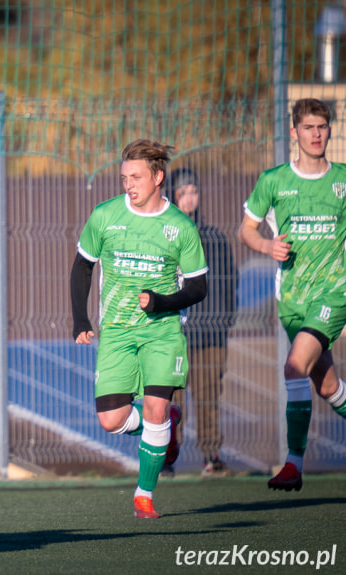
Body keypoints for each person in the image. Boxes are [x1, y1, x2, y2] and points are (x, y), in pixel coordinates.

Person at [71, 140, 208, 518]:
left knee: (154, 410)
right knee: (110, 420)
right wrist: (81, 319)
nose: (128, 184)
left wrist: (161, 302)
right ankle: (167, 424)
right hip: (116, 330)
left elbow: (198, 286)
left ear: (158, 177)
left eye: (136, 177)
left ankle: (144, 495)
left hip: (163, 332)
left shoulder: (179, 226)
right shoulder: (105, 215)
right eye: (124, 177)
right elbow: (83, 266)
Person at [238, 98, 346, 492]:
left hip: (334, 293)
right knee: (329, 387)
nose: (316, 134)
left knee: (293, 367)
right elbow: (246, 230)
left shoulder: (343, 181)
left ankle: (292, 464)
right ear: (295, 132)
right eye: (309, 127)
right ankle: (294, 463)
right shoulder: (274, 180)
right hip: (293, 300)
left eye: (322, 127)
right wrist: (268, 247)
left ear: (330, 131)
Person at [167, 168, 237, 477]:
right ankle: (166, 457)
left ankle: (211, 455)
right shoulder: (165, 235)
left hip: (209, 333)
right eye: (182, 193)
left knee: (209, 395)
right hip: (175, 334)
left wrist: (223, 322)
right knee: (172, 400)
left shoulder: (214, 238)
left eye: (193, 191)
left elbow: (228, 283)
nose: (189, 198)